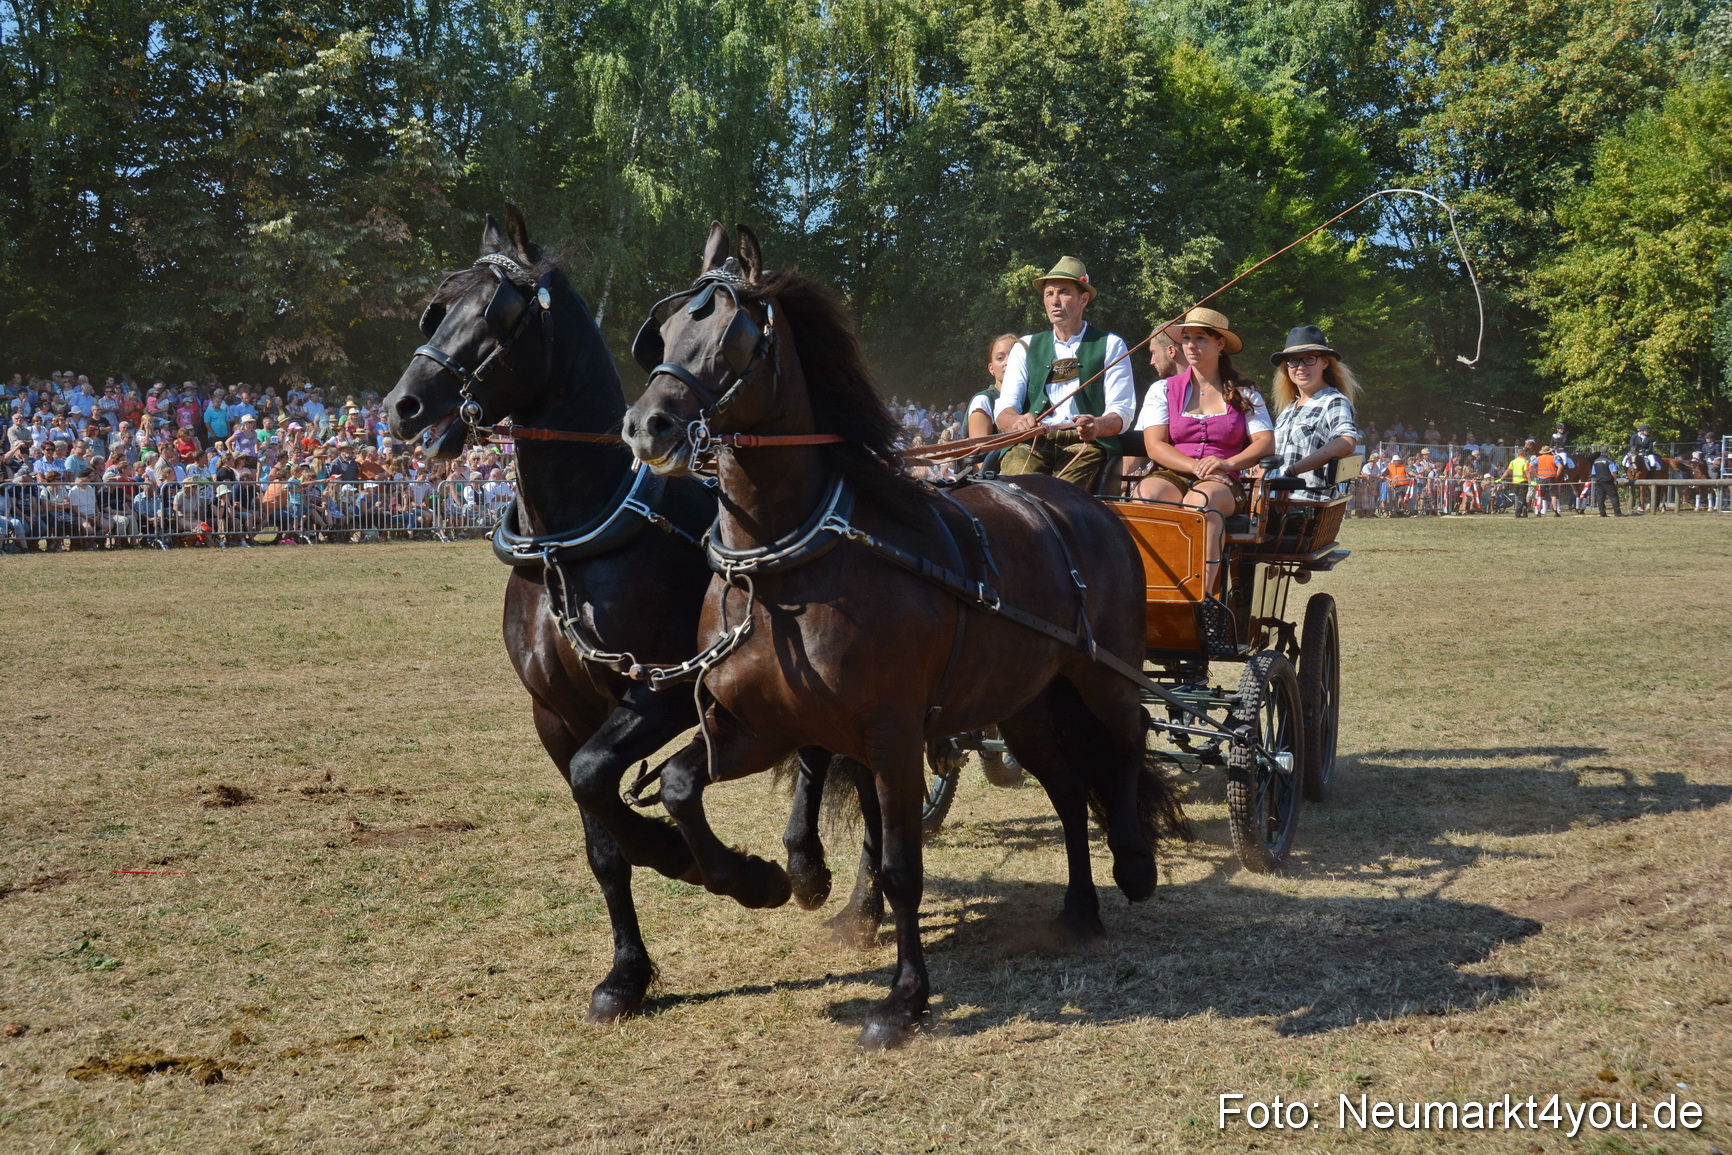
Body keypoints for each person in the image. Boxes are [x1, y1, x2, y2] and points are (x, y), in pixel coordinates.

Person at [1127, 306, 1274, 592]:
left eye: (1200, 338)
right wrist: (1194, 466)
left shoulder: (1244, 392)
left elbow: (1265, 442)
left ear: (1220, 344)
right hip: (1174, 472)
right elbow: (1154, 445)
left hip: (1223, 480)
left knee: (1201, 502)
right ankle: (1149, 588)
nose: (1191, 345)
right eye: (1186, 338)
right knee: (1146, 496)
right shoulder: (1163, 389)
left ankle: (1201, 597)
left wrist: (1228, 464)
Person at [994, 256, 1134, 492]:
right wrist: (1016, 422)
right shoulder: (1025, 346)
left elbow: (1122, 412)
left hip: (1085, 445)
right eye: (1049, 294)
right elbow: (1004, 408)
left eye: (1064, 292)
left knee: (1058, 496)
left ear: (1083, 299)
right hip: (1032, 443)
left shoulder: (1111, 345)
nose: (1054, 301)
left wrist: (1097, 425)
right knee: (1016, 492)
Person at [1268, 325, 1361, 498]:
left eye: (1309, 359)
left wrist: (1292, 472)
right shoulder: (1287, 410)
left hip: (1307, 501)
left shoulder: (1333, 401)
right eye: (1293, 360)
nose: (1300, 367)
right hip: (1274, 499)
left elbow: (1346, 442)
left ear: (1324, 362)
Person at [967, 334, 1021, 441]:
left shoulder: (1034, 397)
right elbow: (979, 449)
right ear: (991, 369)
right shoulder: (983, 401)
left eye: (1014, 355)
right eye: (1000, 358)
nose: (1008, 362)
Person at [1589, 447, 1623, 516]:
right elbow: (1613, 472)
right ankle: (1617, 512)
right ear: (1607, 452)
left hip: (1599, 481)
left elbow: (1593, 473)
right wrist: (1615, 480)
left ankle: (1602, 513)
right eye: (1608, 450)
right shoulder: (1609, 461)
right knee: (1613, 496)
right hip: (1608, 481)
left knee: (1600, 497)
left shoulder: (1596, 461)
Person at [1500, 445, 1530, 517]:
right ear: (1523, 454)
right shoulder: (1525, 461)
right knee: (1522, 499)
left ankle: (1525, 510)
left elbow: (1507, 471)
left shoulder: (1513, 462)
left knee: (1521, 497)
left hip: (1515, 483)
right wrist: (1531, 480)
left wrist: (1501, 478)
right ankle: (1517, 513)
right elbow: (1527, 472)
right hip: (1523, 482)